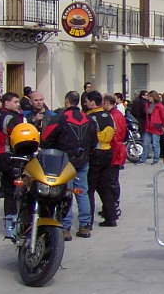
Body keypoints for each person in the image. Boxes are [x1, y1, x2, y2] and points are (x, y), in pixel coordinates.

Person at [40, 91, 96, 240]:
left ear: (66, 102)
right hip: (83, 160)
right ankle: (85, 225)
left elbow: (45, 138)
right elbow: (94, 141)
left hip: (63, 161)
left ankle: (65, 228)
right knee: (82, 192)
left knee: (65, 193)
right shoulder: (89, 119)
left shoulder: (59, 118)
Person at [83, 90, 118, 228]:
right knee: (106, 187)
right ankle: (111, 218)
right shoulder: (109, 115)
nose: (85, 104)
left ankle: (88, 222)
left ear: (92, 102)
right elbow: (114, 131)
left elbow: (87, 136)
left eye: (86, 101)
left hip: (95, 153)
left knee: (89, 189)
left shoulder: (90, 117)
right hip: (108, 152)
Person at [0, 92, 23, 237]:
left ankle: (9, 225)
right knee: (18, 191)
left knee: (9, 192)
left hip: (0, 155)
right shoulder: (11, 117)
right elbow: (18, 137)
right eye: (15, 102)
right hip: (12, 156)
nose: (18, 104)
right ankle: (17, 223)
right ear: (7, 103)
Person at [103, 93, 128, 219]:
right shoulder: (116, 114)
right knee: (111, 179)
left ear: (107, 103)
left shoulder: (113, 116)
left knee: (112, 180)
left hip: (114, 150)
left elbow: (116, 134)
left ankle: (114, 206)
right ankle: (111, 205)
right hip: (116, 149)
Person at [141, 90, 164, 165]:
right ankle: (143, 158)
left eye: (149, 97)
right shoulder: (148, 105)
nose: (148, 98)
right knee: (145, 143)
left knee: (155, 144)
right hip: (149, 126)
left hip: (156, 126)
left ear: (153, 97)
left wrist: (162, 125)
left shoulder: (159, 106)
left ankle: (155, 159)